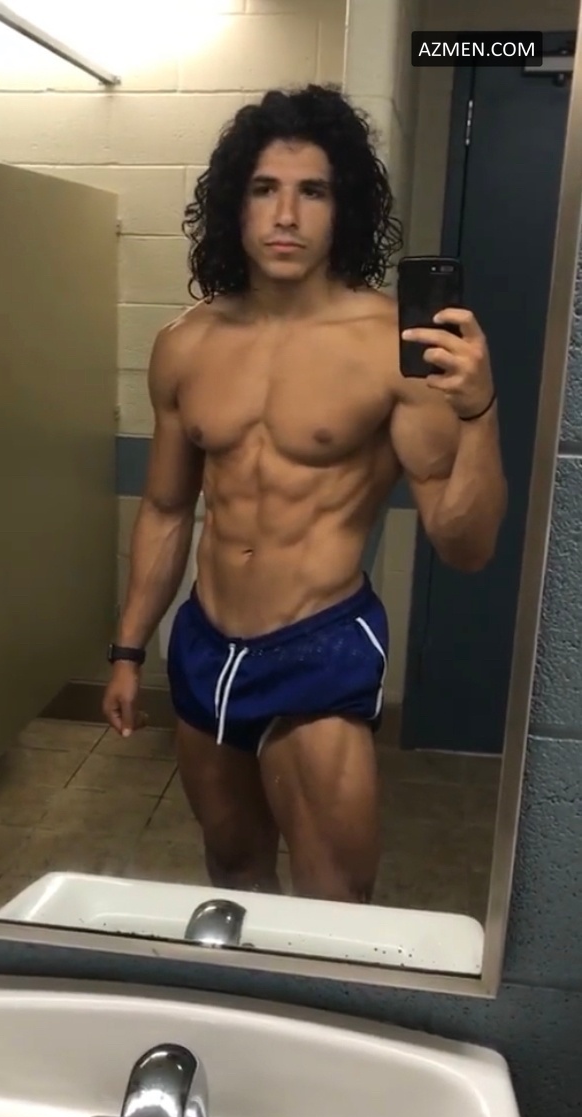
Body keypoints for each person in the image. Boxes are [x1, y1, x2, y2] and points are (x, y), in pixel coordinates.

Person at [102, 84, 507, 904]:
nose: (286, 215)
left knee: (335, 901)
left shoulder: (390, 347)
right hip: (205, 644)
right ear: (235, 204)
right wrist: (128, 649)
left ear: (342, 206)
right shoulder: (185, 344)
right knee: (233, 872)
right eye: (265, 188)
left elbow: (465, 546)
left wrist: (479, 411)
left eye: (312, 190)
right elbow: (169, 509)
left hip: (319, 645)